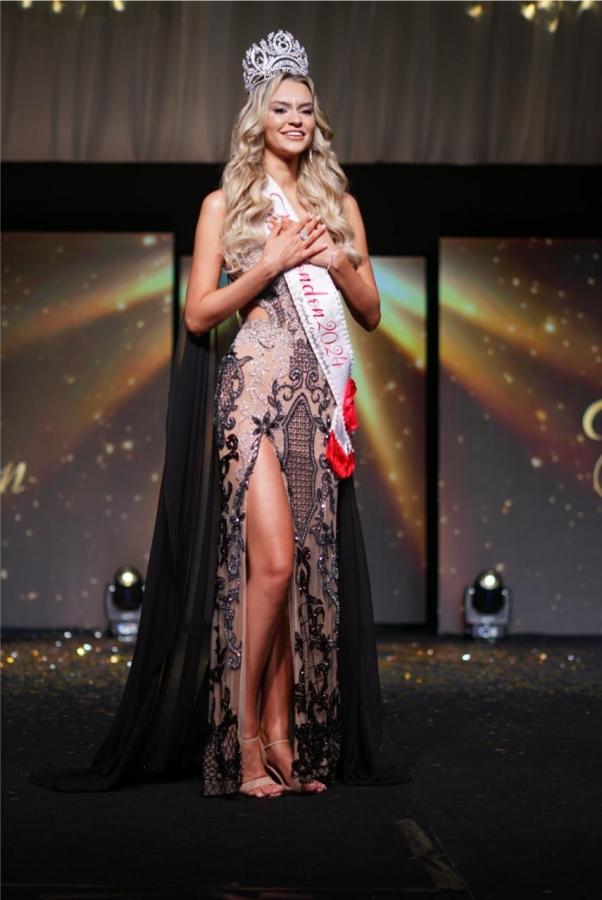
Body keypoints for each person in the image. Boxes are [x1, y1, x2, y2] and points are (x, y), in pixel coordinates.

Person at [30, 29, 413, 800]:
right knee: (270, 565)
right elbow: (198, 313)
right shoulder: (225, 206)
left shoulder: (339, 207)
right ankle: (240, 742)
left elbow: (371, 312)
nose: (295, 120)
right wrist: (269, 264)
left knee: (305, 572)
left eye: (304, 109)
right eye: (281, 108)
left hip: (315, 399)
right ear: (257, 118)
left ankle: (285, 738)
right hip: (252, 391)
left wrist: (335, 261)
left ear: (316, 120)